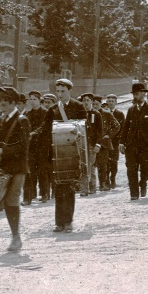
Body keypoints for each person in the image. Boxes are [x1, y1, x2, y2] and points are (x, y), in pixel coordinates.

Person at [0, 86, 30, 252]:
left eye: (4, 102)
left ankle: (16, 237)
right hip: (5, 167)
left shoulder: (22, 120)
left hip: (18, 168)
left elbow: (23, 147)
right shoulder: (2, 120)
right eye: (0, 102)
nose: (1, 105)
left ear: (13, 103)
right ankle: (15, 235)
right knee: (7, 202)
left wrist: (1, 151)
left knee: (11, 200)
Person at [45, 78, 86, 233]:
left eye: (63, 91)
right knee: (58, 187)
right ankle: (59, 222)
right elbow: (45, 128)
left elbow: (83, 127)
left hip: (72, 151)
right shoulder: (53, 109)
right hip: (57, 151)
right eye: (58, 91)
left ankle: (68, 221)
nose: (60, 94)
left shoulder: (78, 106)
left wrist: (77, 131)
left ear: (70, 91)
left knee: (68, 187)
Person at [118, 82, 148, 200]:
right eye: (134, 94)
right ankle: (134, 193)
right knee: (131, 168)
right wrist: (122, 142)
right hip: (131, 144)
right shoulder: (131, 110)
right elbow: (125, 127)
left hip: (146, 145)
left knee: (145, 168)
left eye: (137, 94)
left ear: (143, 94)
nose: (135, 97)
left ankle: (143, 183)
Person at [22, 91, 47, 205]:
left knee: (42, 170)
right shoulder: (27, 114)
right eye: (30, 99)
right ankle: (28, 197)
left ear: (39, 100)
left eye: (34, 99)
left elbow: (44, 126)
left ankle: (44, 193)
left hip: (42, 145)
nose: (32, 101)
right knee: (29, 172)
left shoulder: (46, 113)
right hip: (30, 147)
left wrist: (33, 133)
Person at [104, 94, 126, 189]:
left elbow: (123, 127)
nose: (111, 103)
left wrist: (121, 140)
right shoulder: (103, 113)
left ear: (116, 102)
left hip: (115, 141)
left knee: (114, 161)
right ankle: (106, 180)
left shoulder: (119, 114)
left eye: (113, 101)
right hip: (105, 141)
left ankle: (112, 178)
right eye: (109, 101)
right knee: (105, 161)